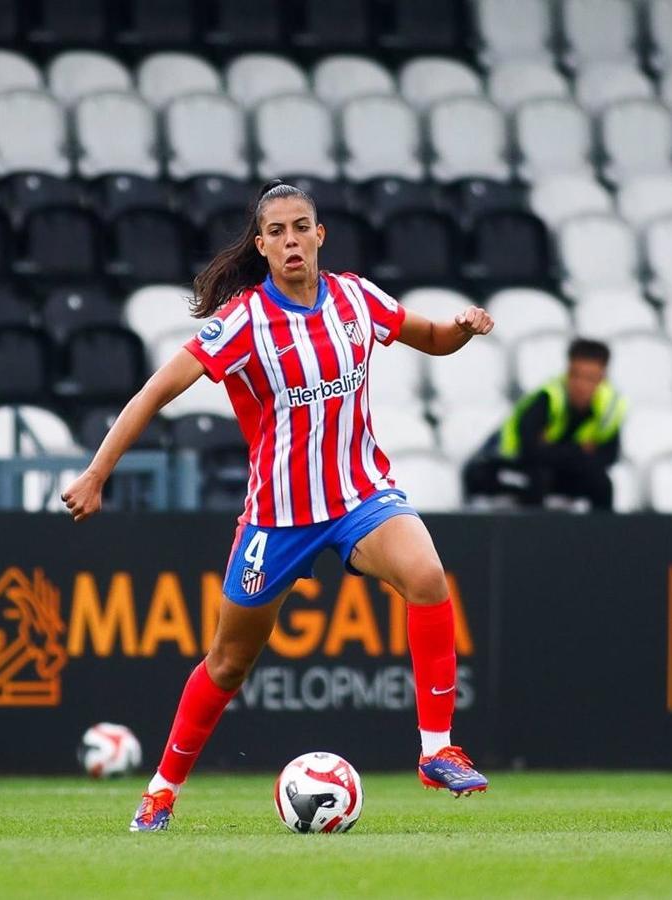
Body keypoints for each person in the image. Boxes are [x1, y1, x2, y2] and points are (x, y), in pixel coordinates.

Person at [62, 180, 495, 833]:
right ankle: (160, 792)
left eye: (300, 227)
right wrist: (97, 473)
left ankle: (437, 751)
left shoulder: (356, 297)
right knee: (228, 662)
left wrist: (461, 330)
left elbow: (431, 338)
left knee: (428, 577)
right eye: (277, 232)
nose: (291, 240)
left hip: (359, 496)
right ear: (261, 246)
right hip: (277, 518)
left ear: (320, 235)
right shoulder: (243, 323)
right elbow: (155, 391)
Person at [462, 338, 624, 511]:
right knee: (537, 478)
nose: (581, 385)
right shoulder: (547, 398)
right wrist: (580, 450)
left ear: (603, 379)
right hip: (500, 466)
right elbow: (531, 452)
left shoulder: (610, 409)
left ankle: (600, 529)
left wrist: (552, 450)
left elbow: (608, 457)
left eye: (590, 378)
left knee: (601, 483)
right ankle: (531, 528)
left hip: (553, 472)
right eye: (575, 375)